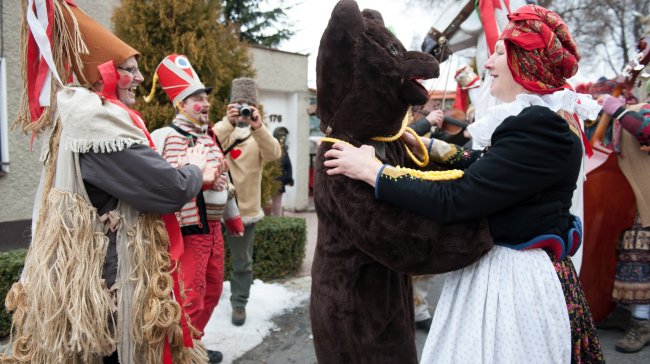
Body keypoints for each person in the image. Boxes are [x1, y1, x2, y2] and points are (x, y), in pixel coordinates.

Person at [324, 5, 604, 362]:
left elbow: (457, 198)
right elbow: (493, 168)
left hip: (514, 281)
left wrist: (373, 172)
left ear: (525, 62)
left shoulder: (540, 127)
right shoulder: (543, 121)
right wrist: (429, 145)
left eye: (499, 53)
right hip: (510, 270)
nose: (487, 64)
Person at [3, 2, 212, 363]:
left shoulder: (82, 117)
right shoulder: (95, 123)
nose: (141, 78)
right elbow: (170, 189)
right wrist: (195, 171)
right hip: (107, 290)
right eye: (129, 69)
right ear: (100, 74)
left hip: (99, 284)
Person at [150, 54, 245, 363]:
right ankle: (181, 353)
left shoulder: (211, 137)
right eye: (196, 99)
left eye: (205, 98)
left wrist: (233, 218)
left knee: (213, 290)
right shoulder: (167, 137)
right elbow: (169, 182)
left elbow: (226, 181)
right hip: (187, 232)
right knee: (188, 295)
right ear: (180, 104)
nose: (205, 104)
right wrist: (203, 180)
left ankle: (193, 345)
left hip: (213, 229)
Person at [213, 77, 281, 326]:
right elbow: (205, 143)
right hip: (214, 210)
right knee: (210, 260)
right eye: (238, 104)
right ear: (230, 106)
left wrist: (258, 126)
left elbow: (274, 154)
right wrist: (226, 122)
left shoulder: (258, 136)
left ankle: (239, 303)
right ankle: (206, 299)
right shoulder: (223, 132)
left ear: (256, 108)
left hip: (244, 212)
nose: (243, 110)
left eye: (248, 106)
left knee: (242, 262)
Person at [596, 94, 650, 353]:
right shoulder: (641, 107)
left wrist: (617, 110)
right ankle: (624, 310)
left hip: (647, 203)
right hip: (633, 199)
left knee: (640, 262)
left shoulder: (637, 113)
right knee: (624, 258)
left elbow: (647, 132)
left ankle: (642, 322)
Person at [270, 127, 294, 216]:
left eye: (283, 137)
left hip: (279, 182)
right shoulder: (270, 149)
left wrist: (288, 179)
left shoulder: (284, 151)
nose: (282, 139)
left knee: (277, 205)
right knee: (267, 205)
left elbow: (289, 166)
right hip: (267, 181)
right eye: (280, 137)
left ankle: (277, 224)